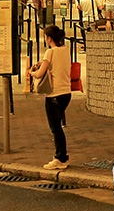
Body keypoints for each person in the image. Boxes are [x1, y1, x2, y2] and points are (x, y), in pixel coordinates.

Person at [28, 25, 72, 170]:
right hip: (66, 93)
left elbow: (39, 73)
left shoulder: (50, 52)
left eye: (45, 37)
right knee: (58, 126)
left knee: (55, 128)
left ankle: (61, 157)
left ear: (49, 38)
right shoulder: (65, 50)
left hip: (54, 94)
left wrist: (31, 72)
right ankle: (61, 156)